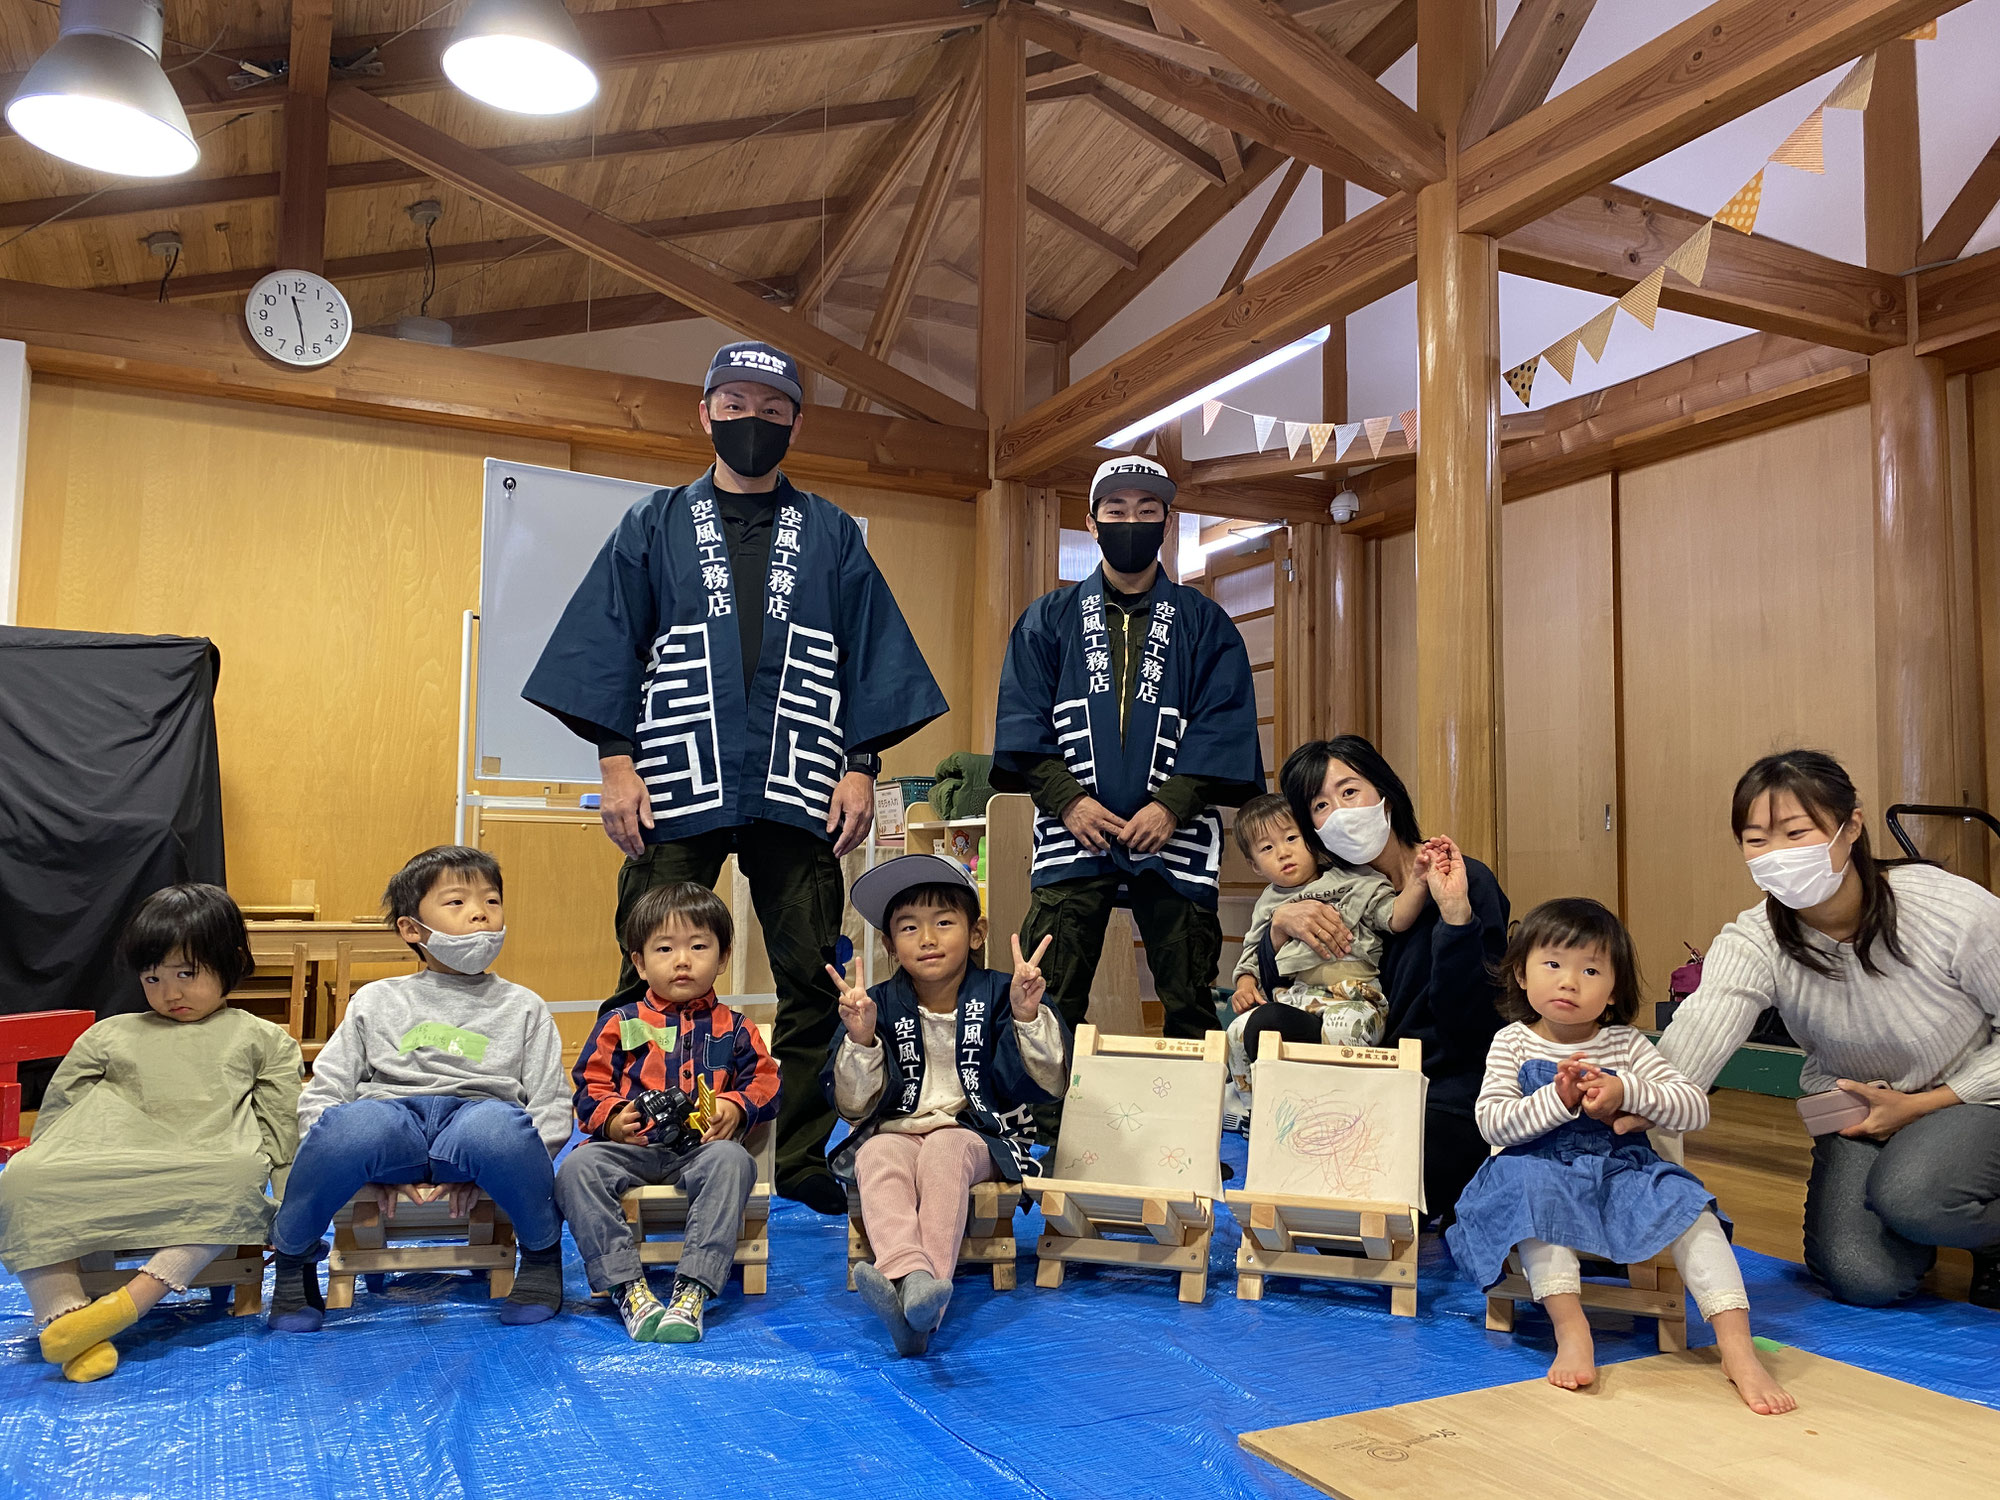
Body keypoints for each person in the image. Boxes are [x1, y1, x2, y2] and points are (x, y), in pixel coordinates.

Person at [524, 340, 947, 1216]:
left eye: (771, 409)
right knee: (647, 968)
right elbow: (605, 642)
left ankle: (790, 1156)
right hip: (676, 780)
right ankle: (628, 1140)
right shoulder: (654, 523)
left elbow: (870, 655)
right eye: (735, 405)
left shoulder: (829, 532)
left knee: (814, 977)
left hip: (797, 783)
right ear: (705, 411)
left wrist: (861, 766)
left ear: (794, 420)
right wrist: (615, 761)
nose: (751, 422)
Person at [1659, 749, 2000, 1308]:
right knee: (1861, 1277)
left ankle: (1984, 1230)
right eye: (1756, 839)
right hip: (1858, 1115)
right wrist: (1631, 1098)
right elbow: (1697, 1032)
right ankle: (1938, 1203)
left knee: (1913, 1197)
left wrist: (1923, 1106)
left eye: (1797, 832)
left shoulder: (1949, 908)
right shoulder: (1756, 939)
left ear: (1852, 827)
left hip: (1978, 1098)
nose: (1777, 856)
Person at [1447, 898, 1794, 1414]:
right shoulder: (1512, 1043)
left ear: (1613, 989)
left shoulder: (1626, 1045)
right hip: (1537, 1166)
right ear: (1521, 973)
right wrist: (1558, 1100)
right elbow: (1493, 1122)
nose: (1569, 982)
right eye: (1553, 964)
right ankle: (1571, 1328)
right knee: (1529, 1190)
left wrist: (1627, 1091)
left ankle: (1737, 1349)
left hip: (1620, 1172)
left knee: (1690, 1204)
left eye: (1590, 970)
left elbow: (1692, 1107)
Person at [992, 454, 1264, 1040]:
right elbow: (1024, 724)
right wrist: (1068, 800)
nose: (1131, 522)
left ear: (1167, 522)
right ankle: (1045, 1127)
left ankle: (1192, 1125)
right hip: (1073, 830)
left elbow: (1225, 722)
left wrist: (1171, 805)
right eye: (1116, 510)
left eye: (1147, 511)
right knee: (1050, 999)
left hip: (1176, 834)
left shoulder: (1204, 622)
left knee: (1189, 1000)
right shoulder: (1048, 619)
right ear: (1092, 522)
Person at [0, 885, 300, 1383]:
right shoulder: (110, 1033)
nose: (170, 993)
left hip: (207, 1155)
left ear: (231, 962)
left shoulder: (261, 1038)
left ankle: (121, 1309)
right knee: (25, 1176)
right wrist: (49, 1157)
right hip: (109, 1151)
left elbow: (281, 1126)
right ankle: (65, 1315)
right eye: (152, 977)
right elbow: (59, 1110)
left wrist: (292, 1210)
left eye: (187, 973)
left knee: (237, 1178)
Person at [266, 846, 570, 1332]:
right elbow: (325, 1092)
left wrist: (500, 1164)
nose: (480, 914)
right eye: (456, 903)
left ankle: (540, 1252)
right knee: (348, 1129)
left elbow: (551, 1104)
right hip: (393, 1120)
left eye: (491, 902)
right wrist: (358, 1170)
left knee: (499, 1131)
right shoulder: (376, 999)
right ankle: (293, 1255)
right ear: (412, 929)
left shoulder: (524, 1006)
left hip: (478, 1118)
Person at [1244, 736, 1509, 1221]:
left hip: (1442, 1084)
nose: (1340, 812)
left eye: (1350, 792)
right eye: (1320, 805)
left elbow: (1472, 1020)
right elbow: (1277, 989)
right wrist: (1280, 930)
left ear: (1385, 791)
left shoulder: (1460, 878)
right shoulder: (1322, 893)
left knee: (1373, 1198)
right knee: (1269, 1027)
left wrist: (1454, 918)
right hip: (1354, 1081)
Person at [823, 853, 1070, 1357]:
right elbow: (852, 1107)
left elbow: (1048, 1080)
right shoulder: (873, 1004)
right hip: (895, 1131)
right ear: (891, 946)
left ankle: (918, 1290)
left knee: (942, 1153)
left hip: (975, 1132)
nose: (928, 938)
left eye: (943, 922)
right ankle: (916, 1289)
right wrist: (863, 1039)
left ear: (976, 933)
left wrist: (1026, 1017)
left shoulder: (1003, 992)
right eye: (909, 928)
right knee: (874, 1156)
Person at [558, 882, 779, 1344]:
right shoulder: (620, 1022)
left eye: (699, 947)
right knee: (577, 1168)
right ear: (639, 961)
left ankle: (692, 1289)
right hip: (632, 1150)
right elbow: (588, 1086)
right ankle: (627, 1287)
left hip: (701, 1150)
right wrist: (614, 1119)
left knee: (733, 1161)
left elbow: (766, 1082)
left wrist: (736, 1106)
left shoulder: (735, 1028)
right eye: (664, 948)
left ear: (722, 958)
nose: (683, 960)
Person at [1222, 792, 1427, 1122]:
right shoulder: (1268, 904)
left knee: (1344, 1027)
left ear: (1313, 840)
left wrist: (1418, 882)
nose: (1283, 852)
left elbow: (1395, 917)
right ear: (1254, 866)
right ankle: (1256, 1113)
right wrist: (1246, 983)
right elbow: (1251, 955)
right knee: (1236, 1032)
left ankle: (1345, 1110)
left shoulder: (1353, 880)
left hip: (1357, 995)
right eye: (1267, 848)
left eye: (1291, 838)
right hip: (1299, 997)